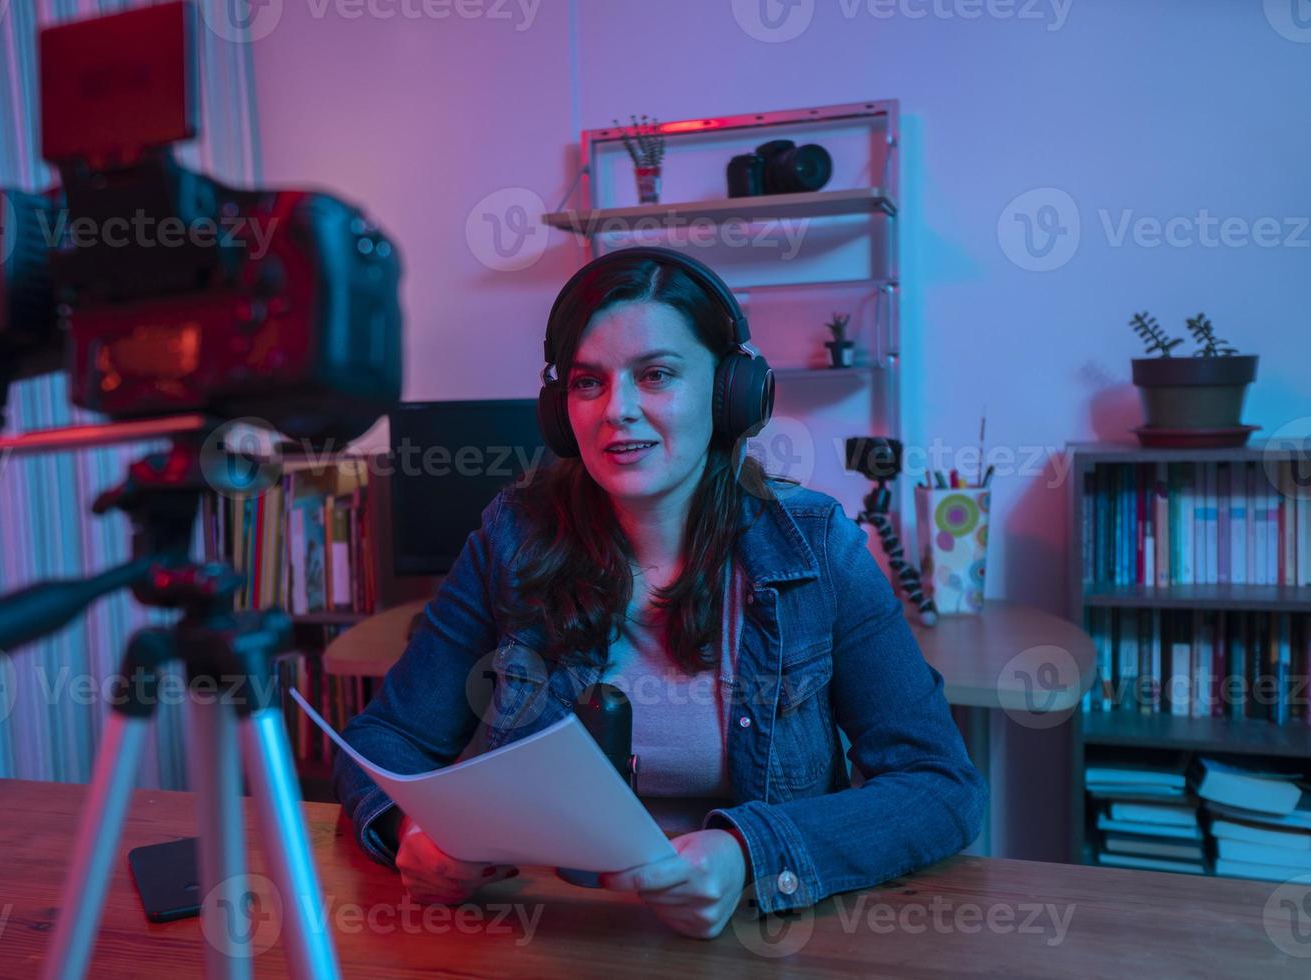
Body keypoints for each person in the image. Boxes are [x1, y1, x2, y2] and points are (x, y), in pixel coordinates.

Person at [331, 247, 986, 939]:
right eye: (588, 383)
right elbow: (385, 739)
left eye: (657, 375)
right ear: (561, 410)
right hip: (550, 936)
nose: (618, 411)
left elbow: (939, 786)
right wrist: (410, 831)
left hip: (757, 941)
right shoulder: (511, 537)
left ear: (729, 393)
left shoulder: (817, 548)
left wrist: (748, 854)